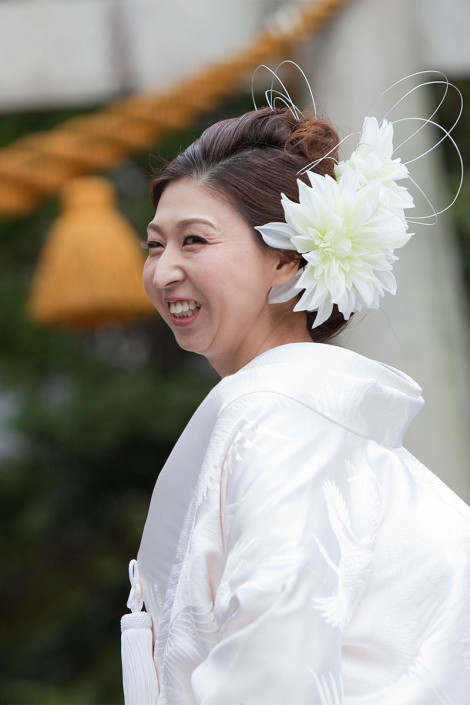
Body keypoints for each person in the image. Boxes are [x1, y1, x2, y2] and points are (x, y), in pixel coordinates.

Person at [121, 101, 470, 705]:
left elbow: (274, 667)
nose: (163, 271)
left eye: (194, 240)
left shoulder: (280, 414)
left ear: (284, 259)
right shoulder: (299, 408)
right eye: (155, 245)